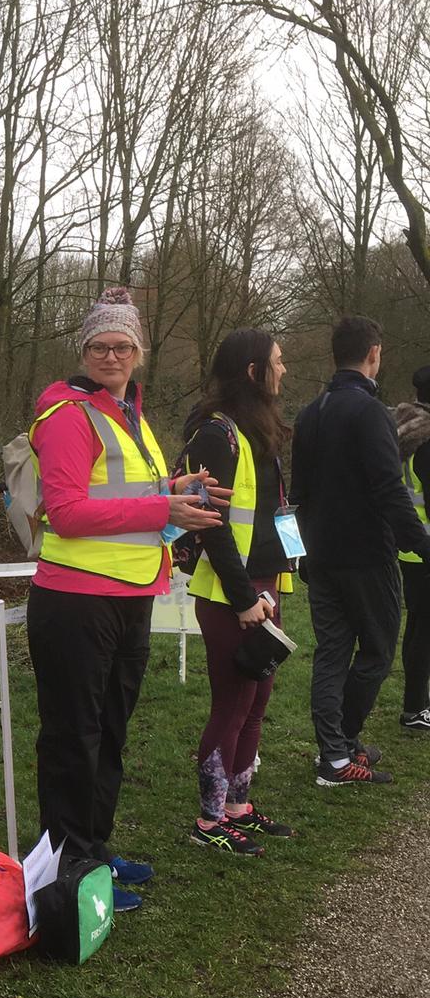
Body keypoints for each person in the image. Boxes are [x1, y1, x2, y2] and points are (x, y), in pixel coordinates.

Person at [25, 285, 225, 909]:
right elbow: (65, 511)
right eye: (98, 345)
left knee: (109, 732)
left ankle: (95, 850)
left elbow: (121, 492)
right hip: (76, 602)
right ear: (82, 350)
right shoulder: (66, 415)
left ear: (138, 352)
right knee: (74, 738)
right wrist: (163, 505)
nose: (111, 355)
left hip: (132, 595)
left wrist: (173, 484)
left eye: (122, 345)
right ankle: (68, 865)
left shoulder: (128, 414)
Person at [291, 315, 430, 786]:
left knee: (332, 653)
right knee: (375, 654)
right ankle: (339, 746)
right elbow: (390, 490)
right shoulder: (371, 413)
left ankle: (335, 752)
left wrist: (305, 551)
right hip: (368, 556)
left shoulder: (311, 412)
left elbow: (299, 493)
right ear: (374, 353)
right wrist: (423, 546)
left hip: (322, 556)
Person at [182, 329, 296, 855]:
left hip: (266, 587)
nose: (285, 370)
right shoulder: (216, 433)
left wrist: (280, 579)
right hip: (233, 593)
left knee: (257, 701)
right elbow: (211, 523)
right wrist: (244, 598)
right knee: (232, 703)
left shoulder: (258, 430)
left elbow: (273, 512)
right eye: (277, 362)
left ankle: (237, 807)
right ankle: (209, 822)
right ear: (253, 371)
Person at [396, 365, 430, 730]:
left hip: (409, 546)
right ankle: (415, 707)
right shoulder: (428, 442)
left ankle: (416, 702)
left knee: (418, 627)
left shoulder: (407, 433)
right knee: (423, 631)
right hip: (426, 546)